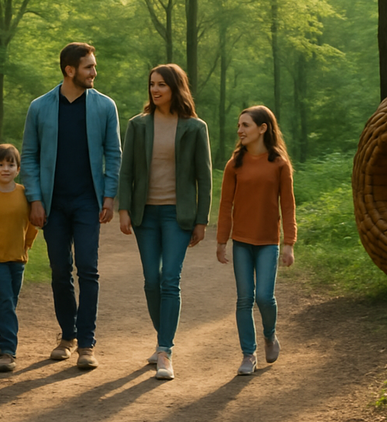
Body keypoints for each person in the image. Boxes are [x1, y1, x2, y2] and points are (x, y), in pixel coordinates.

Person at [21, 42, 121, 369]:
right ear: (70, 70)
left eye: (93, 66)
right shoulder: (39, 107)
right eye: (89, 67)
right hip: (52, 204)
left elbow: (113, 154)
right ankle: (67, 335)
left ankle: (87, 343)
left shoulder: (105, 107)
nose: (95, 72)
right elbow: (30, 157)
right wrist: (35, 199)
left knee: (88, 270)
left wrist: (108, 196)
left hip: (88, 202)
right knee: (60, 270)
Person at [118, 64, 212, 380]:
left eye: (161, 85)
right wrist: (123, 209)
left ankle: (164, 351)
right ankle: (163, 340)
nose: (155, 90)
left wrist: (201, 220)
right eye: (151, 84)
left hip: (178, 215)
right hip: (145, 215)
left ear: (175, 87)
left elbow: (205, 178)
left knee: (170, 278)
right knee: (150, 280)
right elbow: (127, 171)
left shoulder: (195, 128)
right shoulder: (138, 125)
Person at [216, 105, 296, 376]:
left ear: (263, 128)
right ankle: (248, 355)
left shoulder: (279, 164)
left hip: (268, 242)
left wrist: (289, 243)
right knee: (244, 299)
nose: (240, 130)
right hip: (241, 241)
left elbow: (288, 205)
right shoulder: (234, 164)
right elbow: (226, 204)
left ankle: (270, 335)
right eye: (239, 125)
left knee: (264, 296)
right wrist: (221, 240)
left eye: (246, 125)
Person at [0, 143, 38, 373]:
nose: (5, 169)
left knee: (10, 302)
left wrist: (27, 245)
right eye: (0, 164)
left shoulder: (24, 194)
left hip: (17, 259)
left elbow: (33, 222)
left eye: (10, 164)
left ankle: (2, 341)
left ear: (18, 169)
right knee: (3, 301)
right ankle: (9, 351)